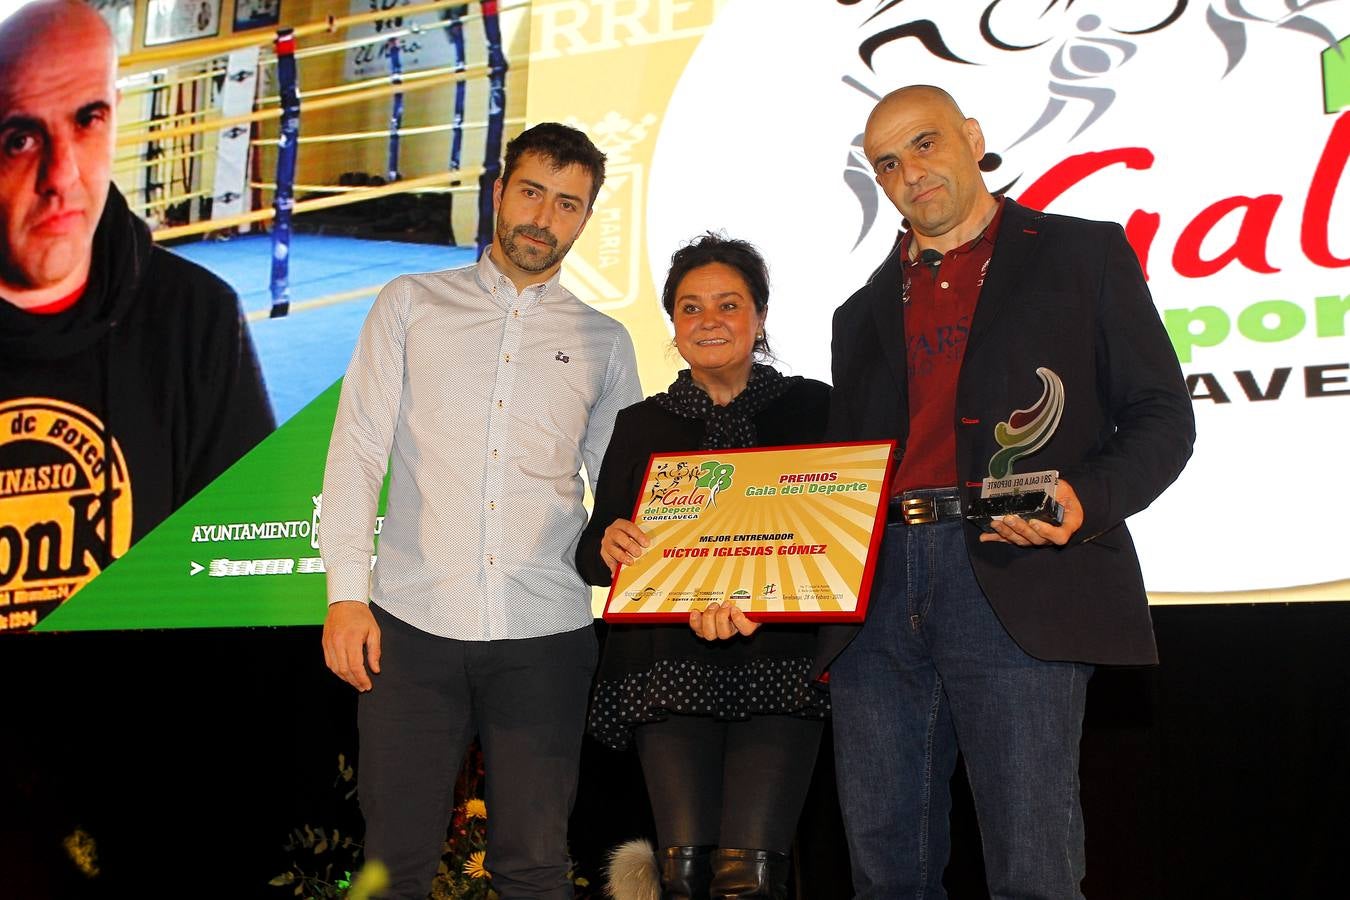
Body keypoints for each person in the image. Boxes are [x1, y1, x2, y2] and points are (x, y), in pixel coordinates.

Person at [818, 85, 1195, 898]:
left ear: (973, 137)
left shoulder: (1080, 254)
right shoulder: (859, 314)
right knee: (883, 868)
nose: (910, 171)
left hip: (1015, 572)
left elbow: (1163, 417)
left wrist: (1083, 501)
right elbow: (842, 473)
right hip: (877, 588)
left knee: (1032, 862)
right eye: (887, 163)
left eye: (924, 144)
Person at [318, 122, 642, 900]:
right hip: (410, 627)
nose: (544, 217)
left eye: (568, 204)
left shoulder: (605, 341)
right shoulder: (410, 304)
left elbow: (625, 495)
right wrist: (343, 597)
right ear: (499, 193)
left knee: (533, 868)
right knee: (391, 868)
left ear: (586, 218)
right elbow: (358, 451)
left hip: (548, 635)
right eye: (531, 192)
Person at [0, 0, 274, 632]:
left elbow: (245, 587)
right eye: (20, 138)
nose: (61, 175)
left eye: (87, 120)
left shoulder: (196, 323)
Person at [578, 233, 831, 900]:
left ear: (761, 316)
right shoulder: (639, 424)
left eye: (728, 304)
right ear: (673, 323)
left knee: (749, 878)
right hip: (668, 666)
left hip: (780, 662)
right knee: (682, 875)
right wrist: (609, 542)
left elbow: (843, 540)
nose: (708, 321)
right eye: (690, 308)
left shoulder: (816, 410)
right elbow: (591, 550)